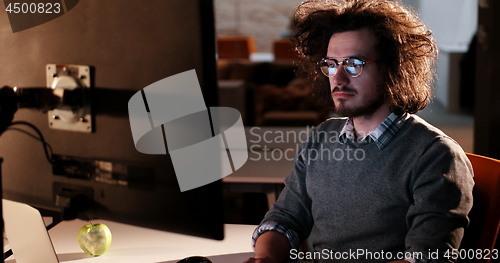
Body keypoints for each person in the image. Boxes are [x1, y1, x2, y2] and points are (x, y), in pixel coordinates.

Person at [244, 0, 474, 262]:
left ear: (393, 69)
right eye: (332, 64)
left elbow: (425, 258)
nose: (338, 78)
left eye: (354, 64)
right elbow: (285, 219)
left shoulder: (437, 156)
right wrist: (266, 259)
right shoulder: (321, 138)